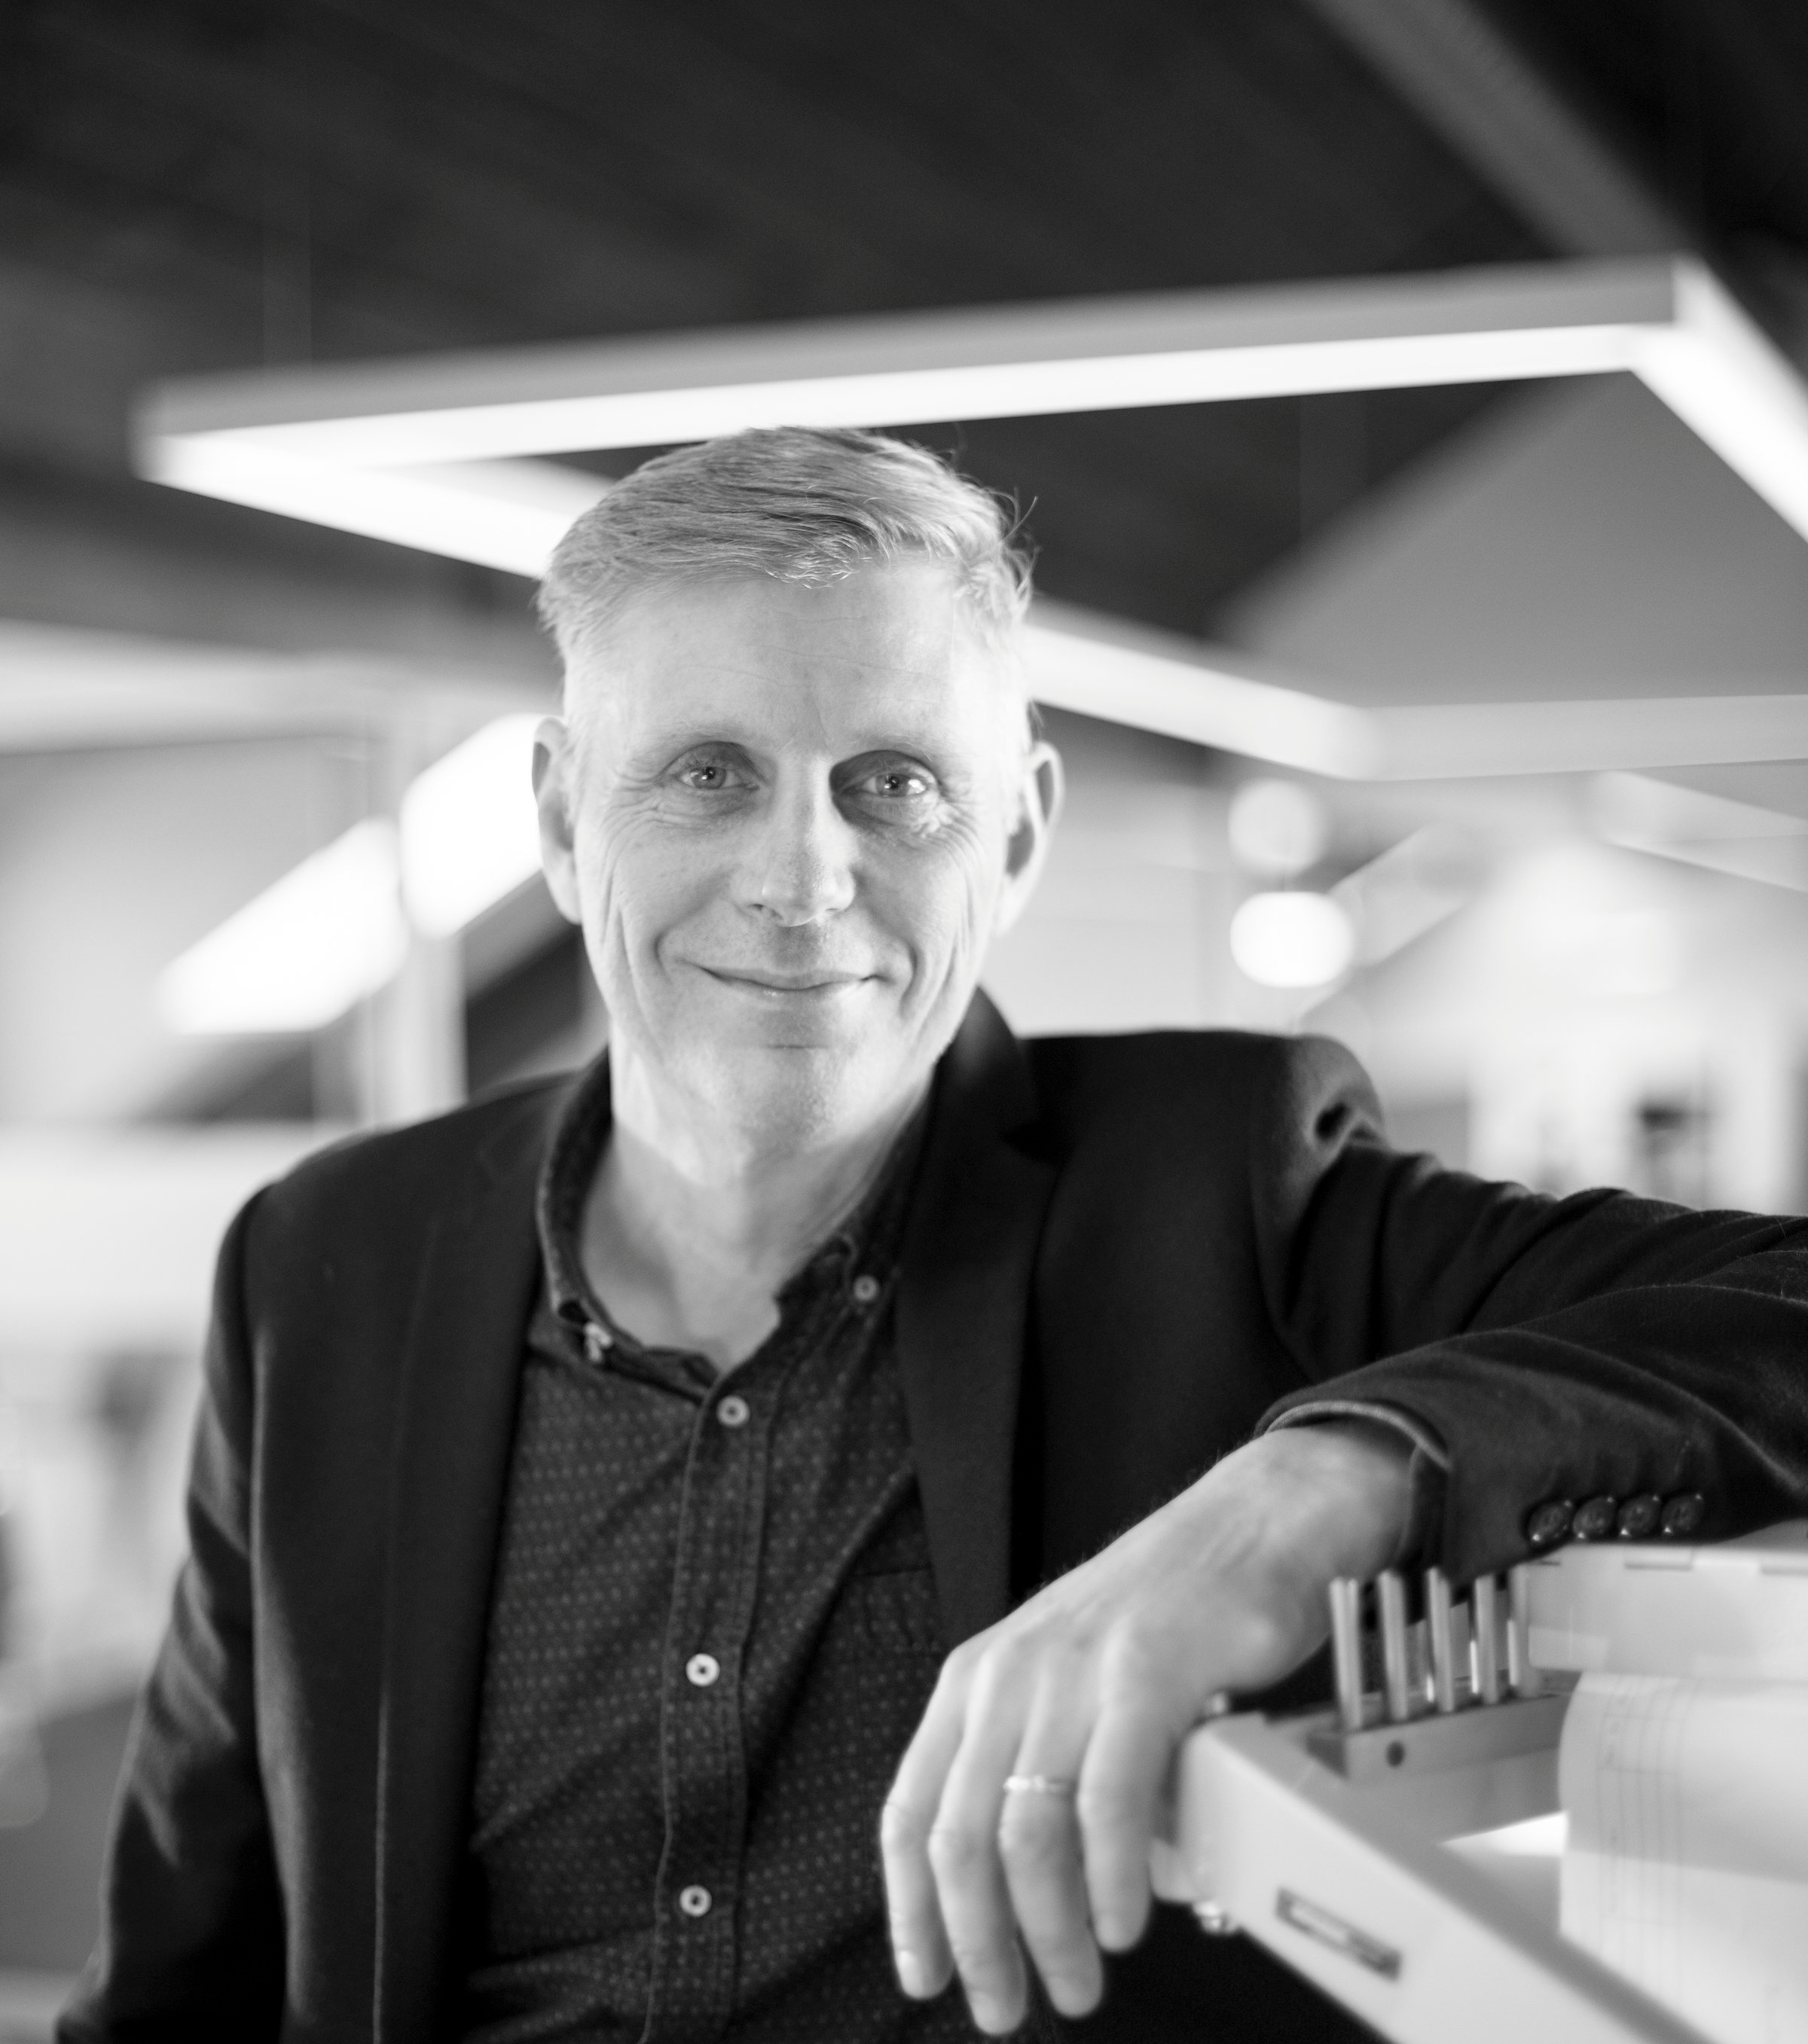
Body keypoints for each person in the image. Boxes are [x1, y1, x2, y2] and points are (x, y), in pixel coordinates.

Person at [61, 428, 1808, 2044]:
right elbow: (182, 1974)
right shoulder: (327, 1267)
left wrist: (1320, 1487)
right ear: (561, 817)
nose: (802, 879)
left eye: (892, 782)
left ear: (1018, 832)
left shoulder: (1221, 1191)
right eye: (707, 774)